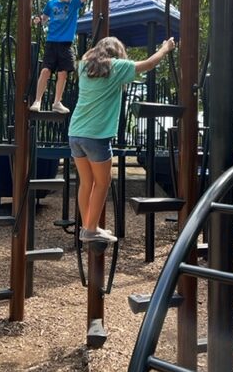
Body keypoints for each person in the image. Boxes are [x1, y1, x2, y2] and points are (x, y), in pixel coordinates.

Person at [68, 35, 175, 244]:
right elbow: (149, 64)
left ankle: (87, 226)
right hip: (96, 136)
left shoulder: (83, 66)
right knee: (102, 182)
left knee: (86, 182)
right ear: (117, 53)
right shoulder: (116, 67)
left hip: (75, 133)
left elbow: (87, 55)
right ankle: (91, 229)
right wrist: (165, 48)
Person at [30, 0, 93, 114]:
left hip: (66, 44)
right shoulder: (51, 3)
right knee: (45, 70)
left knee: (63, 73)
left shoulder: (74, 3)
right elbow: (44, 18)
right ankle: (37, 100)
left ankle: (57, 102)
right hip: (52, 42)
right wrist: (38, 20)